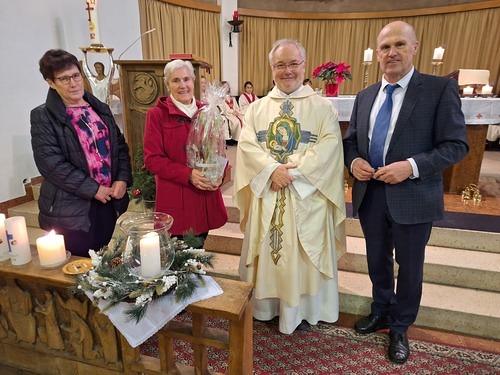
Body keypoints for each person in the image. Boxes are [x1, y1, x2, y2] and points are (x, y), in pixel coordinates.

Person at [343, 21, 468, 364]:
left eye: (399, 44)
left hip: (413, 194)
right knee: (377, 260)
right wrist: (353, 162)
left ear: (415, 48)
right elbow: (351, 141)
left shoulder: (439, 89)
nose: (391, 52)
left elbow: (456, 146)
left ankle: (400, 326)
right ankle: (381, 309)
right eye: (385, 46)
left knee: (410, 266)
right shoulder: (366, 95)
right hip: (371, 193)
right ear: (377, 54)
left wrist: (410, 165)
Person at [234, 39, 346, 334]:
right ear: (271, 68)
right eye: (280, 65)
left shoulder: (323, 108)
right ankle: (267, 307)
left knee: (303, 253)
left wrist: (292, 174)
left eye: (293, 64)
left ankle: (305, 310)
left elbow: (330, 147)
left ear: (304, 66)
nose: (287, 71)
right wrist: (271, 171)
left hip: (306, 196)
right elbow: (245, 146)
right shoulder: (256, 109)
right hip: (267, 191)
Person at [30, 49, 132, 257]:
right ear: (51, 82)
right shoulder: (43, 116)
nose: (73, 83)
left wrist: (121, 178)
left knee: (100, 255)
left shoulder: (100, 109)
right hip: (70, 206)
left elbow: (119, 146)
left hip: (107, 199)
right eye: (64, 79)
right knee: (78, 262)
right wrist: (93, 189)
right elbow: (51, 164)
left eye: (76, 76)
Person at [143, 60, 228, 244]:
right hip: (177, 197)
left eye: (186, 79)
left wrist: (221, 174)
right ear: (167, 85)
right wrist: (187, 174)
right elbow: (152, 159)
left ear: (193, 81)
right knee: (179, 256)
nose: (182, 85)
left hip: (204, 195)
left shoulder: (207, 111)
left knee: (199, 249)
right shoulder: (157, 115)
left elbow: (219, 149)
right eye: (175, 81)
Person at [220, 81, 244, 145]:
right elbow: (224, 109)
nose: (226, 88)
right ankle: (235, 138)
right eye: (224, 87)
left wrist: (236, 111)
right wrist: (232, 111)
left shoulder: (232, 98)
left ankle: (242, 138)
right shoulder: (221, 99)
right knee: (236, 122)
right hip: (228, 114)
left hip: (235, 113)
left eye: (227, 86)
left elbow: (236, 106)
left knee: (243, 119)